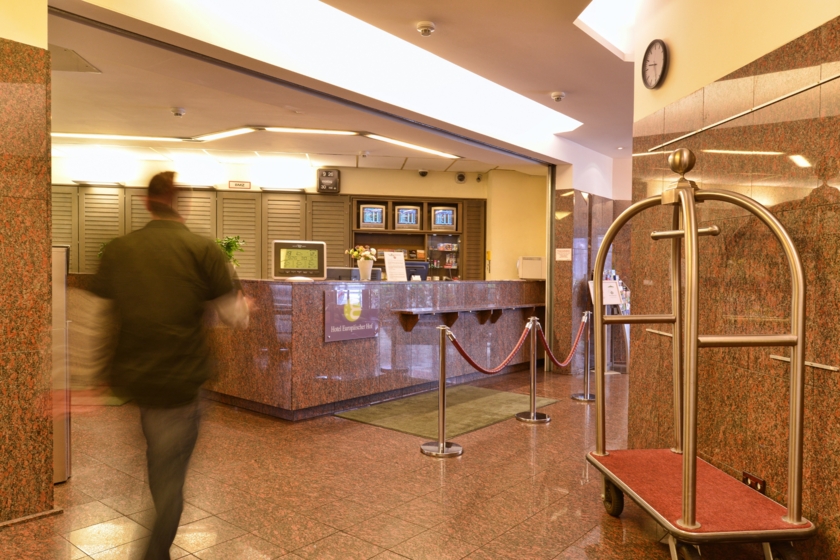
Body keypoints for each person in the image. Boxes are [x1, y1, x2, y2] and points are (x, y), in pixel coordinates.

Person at [91, 171, 250, 560]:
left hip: (137, 380)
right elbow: (234, 317)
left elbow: (97, 315)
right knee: (169, 476)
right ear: (183, 205)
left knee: (160, 459)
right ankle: (153, 554)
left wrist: (85, 379)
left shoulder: (120, 249)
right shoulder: (203, 249)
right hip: (180, 379)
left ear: (147, 203)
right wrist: (244, 307)